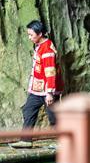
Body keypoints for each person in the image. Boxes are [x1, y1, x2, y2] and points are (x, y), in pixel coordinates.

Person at [10, 20, 63, 149]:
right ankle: (26, 140)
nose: (29, 37)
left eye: (31, 35)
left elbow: (50, 72)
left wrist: (49, 93)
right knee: (28, 110)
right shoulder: (40, 45)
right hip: (37, 90)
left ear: (40, 34)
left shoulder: (47, 48)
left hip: (47, 91)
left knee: (54, 117)